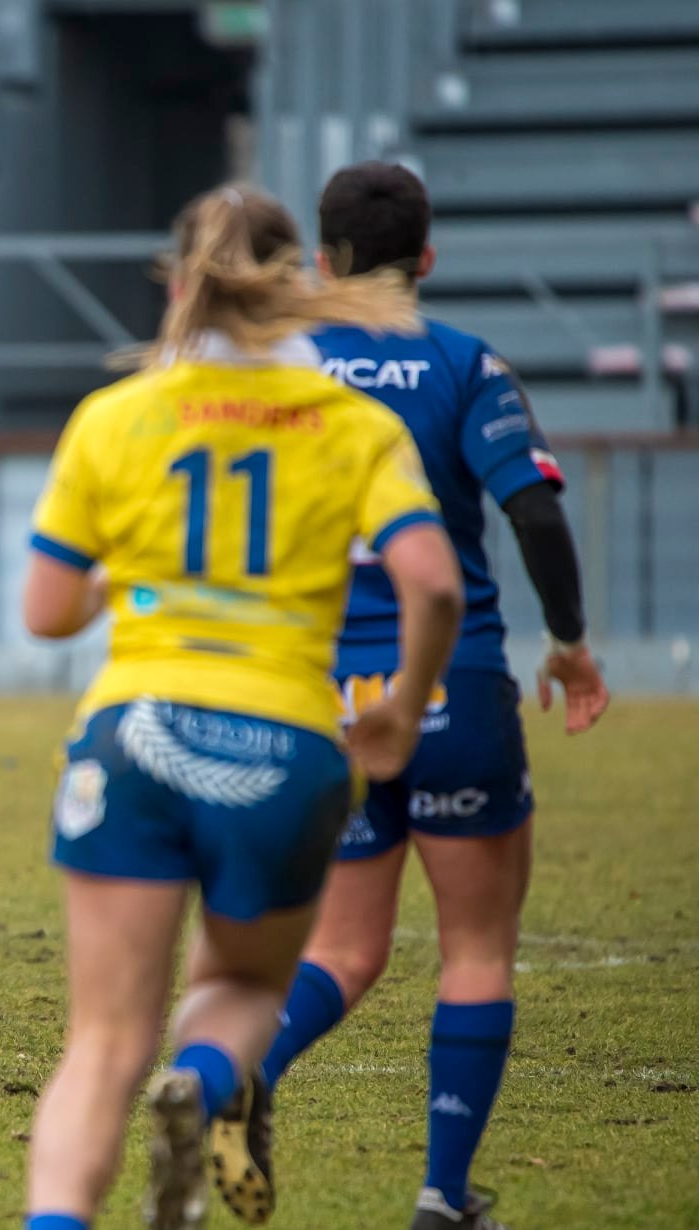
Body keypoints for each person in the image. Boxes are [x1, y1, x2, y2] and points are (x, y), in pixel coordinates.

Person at [20, 183, 466, 1230]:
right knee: (241, 988)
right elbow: (435, 584)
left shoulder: (117, 413)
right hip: (290, 746)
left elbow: (47, 612)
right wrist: (399, 710)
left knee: (100, 1043)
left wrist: (127, 580)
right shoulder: (354, 424)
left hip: (133, 733)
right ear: (298, 282)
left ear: (178, 283)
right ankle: (208, 1083)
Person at [209, 162, 610, 1230]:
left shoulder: (278, 370)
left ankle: (235, 1074)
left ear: (325, 261)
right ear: (426, 258)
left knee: (343, 949)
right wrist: (571, 643)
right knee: (476, 948)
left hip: (319, 693)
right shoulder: (462, 363)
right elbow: (532, 512)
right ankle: (441, 1195)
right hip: (453, 680)